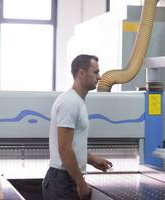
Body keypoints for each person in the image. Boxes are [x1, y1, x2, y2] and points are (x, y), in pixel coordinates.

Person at [42, 54, 113, 200]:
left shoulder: (78, 101)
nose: (99, 77)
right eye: (95, 72)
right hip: (62, 182)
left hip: (65, 178)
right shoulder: (70, 102)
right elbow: (64, 149)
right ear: (81, 73)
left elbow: (71, 147)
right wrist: (81, 184)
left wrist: (93, 160)